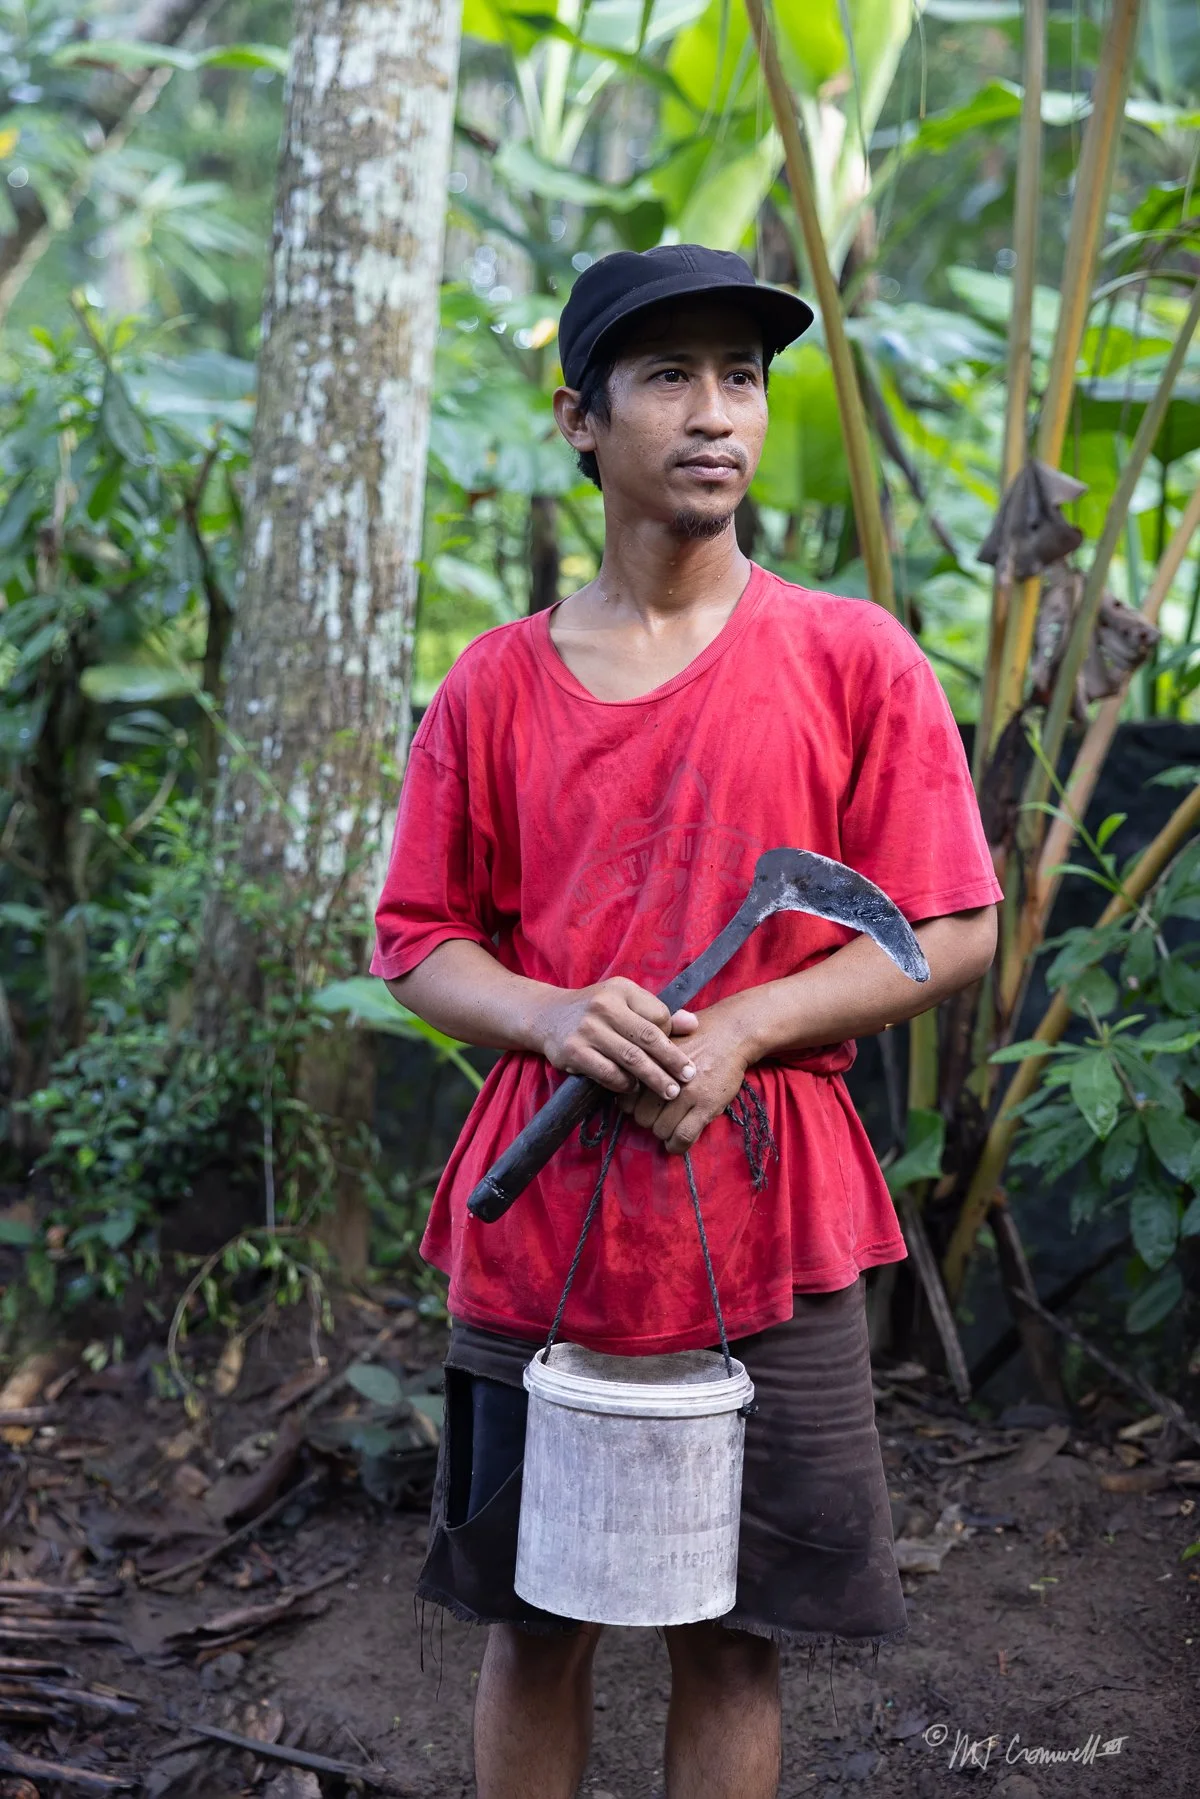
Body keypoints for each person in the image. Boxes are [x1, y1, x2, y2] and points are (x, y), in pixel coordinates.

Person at [371, 244, 1002, 1799]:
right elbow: (415, 940)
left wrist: (747, 1026)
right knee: (537, 1620)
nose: (717, 412)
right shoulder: (494, 688)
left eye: (744, 376)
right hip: (546, 1223)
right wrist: (550, 1012)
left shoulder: (854, 659)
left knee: (736, 1633)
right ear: (581, 420)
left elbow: (956, 926)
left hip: (769, 1220)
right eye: (670, 376)